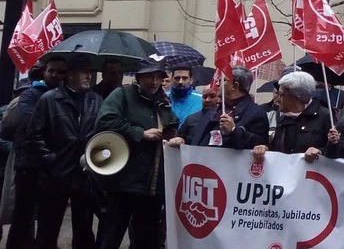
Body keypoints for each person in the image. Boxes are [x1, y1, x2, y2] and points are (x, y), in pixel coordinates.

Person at [94, 60, 178, 249]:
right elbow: (105, 122)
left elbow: (172, 124)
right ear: (139, 77)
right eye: (150, 76)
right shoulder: (122, 95)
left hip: (153, 186)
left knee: (147, 238)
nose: (154, 82)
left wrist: (175, 136)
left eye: (158, 77)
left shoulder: (163, 102)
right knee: (111, 234)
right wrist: (140, 133)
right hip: (124, 182)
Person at [29, 55, 102, 249]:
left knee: (84, 230)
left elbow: (103, 134)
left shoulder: (96, 100)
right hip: (55, 175)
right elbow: (35, 135)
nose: (89, 76)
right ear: (70, 75)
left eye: (90, 73)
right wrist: (50, 160)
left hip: (85, 175)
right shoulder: (49, 99)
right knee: (48, 229)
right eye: (84, 72)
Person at [2, 55, 66, 249]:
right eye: (51, 70)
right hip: (30, 166)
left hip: (55, 169)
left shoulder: (66, 96)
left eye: (60, 71)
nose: (54, 74)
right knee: (22, 219)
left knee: (49, 222)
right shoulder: (30, 95)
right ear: (44, 71)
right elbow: (30, 126)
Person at [168, 66, 268, 150]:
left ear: (234, 86)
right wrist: (182, 140)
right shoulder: (214, 111)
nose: (217, 84)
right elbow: (199, 139)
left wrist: (234, 130)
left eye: (222, 81)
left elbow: (259, 144)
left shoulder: (256, 113)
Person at [255, 71, 335, 164]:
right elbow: (278, 150)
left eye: (281, 95)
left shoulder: (324, 116)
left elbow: (336, 153)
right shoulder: (283, 118)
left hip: (312, 176)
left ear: (296, 98)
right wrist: (265, 149)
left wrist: (319, 152)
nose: (277, 100)